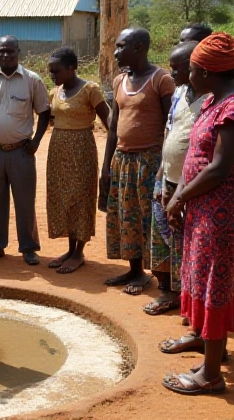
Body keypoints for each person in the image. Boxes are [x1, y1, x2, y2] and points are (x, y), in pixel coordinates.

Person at [161, 33, 234, 395]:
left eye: (191, 69)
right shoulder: (214, 100)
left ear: (206, 71)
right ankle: (206, 343)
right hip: (204, 204)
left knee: (215, 277)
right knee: (201, 273)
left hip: (220, 208)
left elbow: (219, 167)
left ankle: (211, 375)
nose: (187, 74)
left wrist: (178, 197)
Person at [101, 27, 175, 295]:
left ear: (140, 48)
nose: (116, 52)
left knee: (149, 218)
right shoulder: (119, 81)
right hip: (122, 159)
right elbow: (112, 126)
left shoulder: (161, 80)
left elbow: (171, 125)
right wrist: (106, 167)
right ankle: (135, 270)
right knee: (125, 215)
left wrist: (163, 168)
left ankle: (156, 275)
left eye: (121, 46)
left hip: (149, 160)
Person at [0, 35, 50, 267]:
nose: (5, 55)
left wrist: (35, 142)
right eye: (1, 52)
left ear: (18, 52)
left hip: (21, 152)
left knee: (25, 201)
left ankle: (29, 248)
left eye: (10, 51)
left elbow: (44, 112)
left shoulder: (31, 80)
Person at [145, 41, 205, 315]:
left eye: (178, 67)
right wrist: (160, 174)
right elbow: (170, 131)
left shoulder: (210, 99)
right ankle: (167, 291)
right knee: (162, 238)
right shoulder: (179, 93)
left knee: (186, 243)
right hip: (168, 178)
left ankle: (188, 298)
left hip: (193, 185)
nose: (172, 73)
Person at [46, 47, 110, 274]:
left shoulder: (90, 90)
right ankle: (70, 249)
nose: (53, 75)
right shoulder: (55, 92)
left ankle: (79, 252)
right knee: (63, 198)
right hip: (58, 151)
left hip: (82, 149)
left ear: (72, 68)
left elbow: (108, 120)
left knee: (81, 197)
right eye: (51, 72)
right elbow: (50, 119)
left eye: (57, 71)